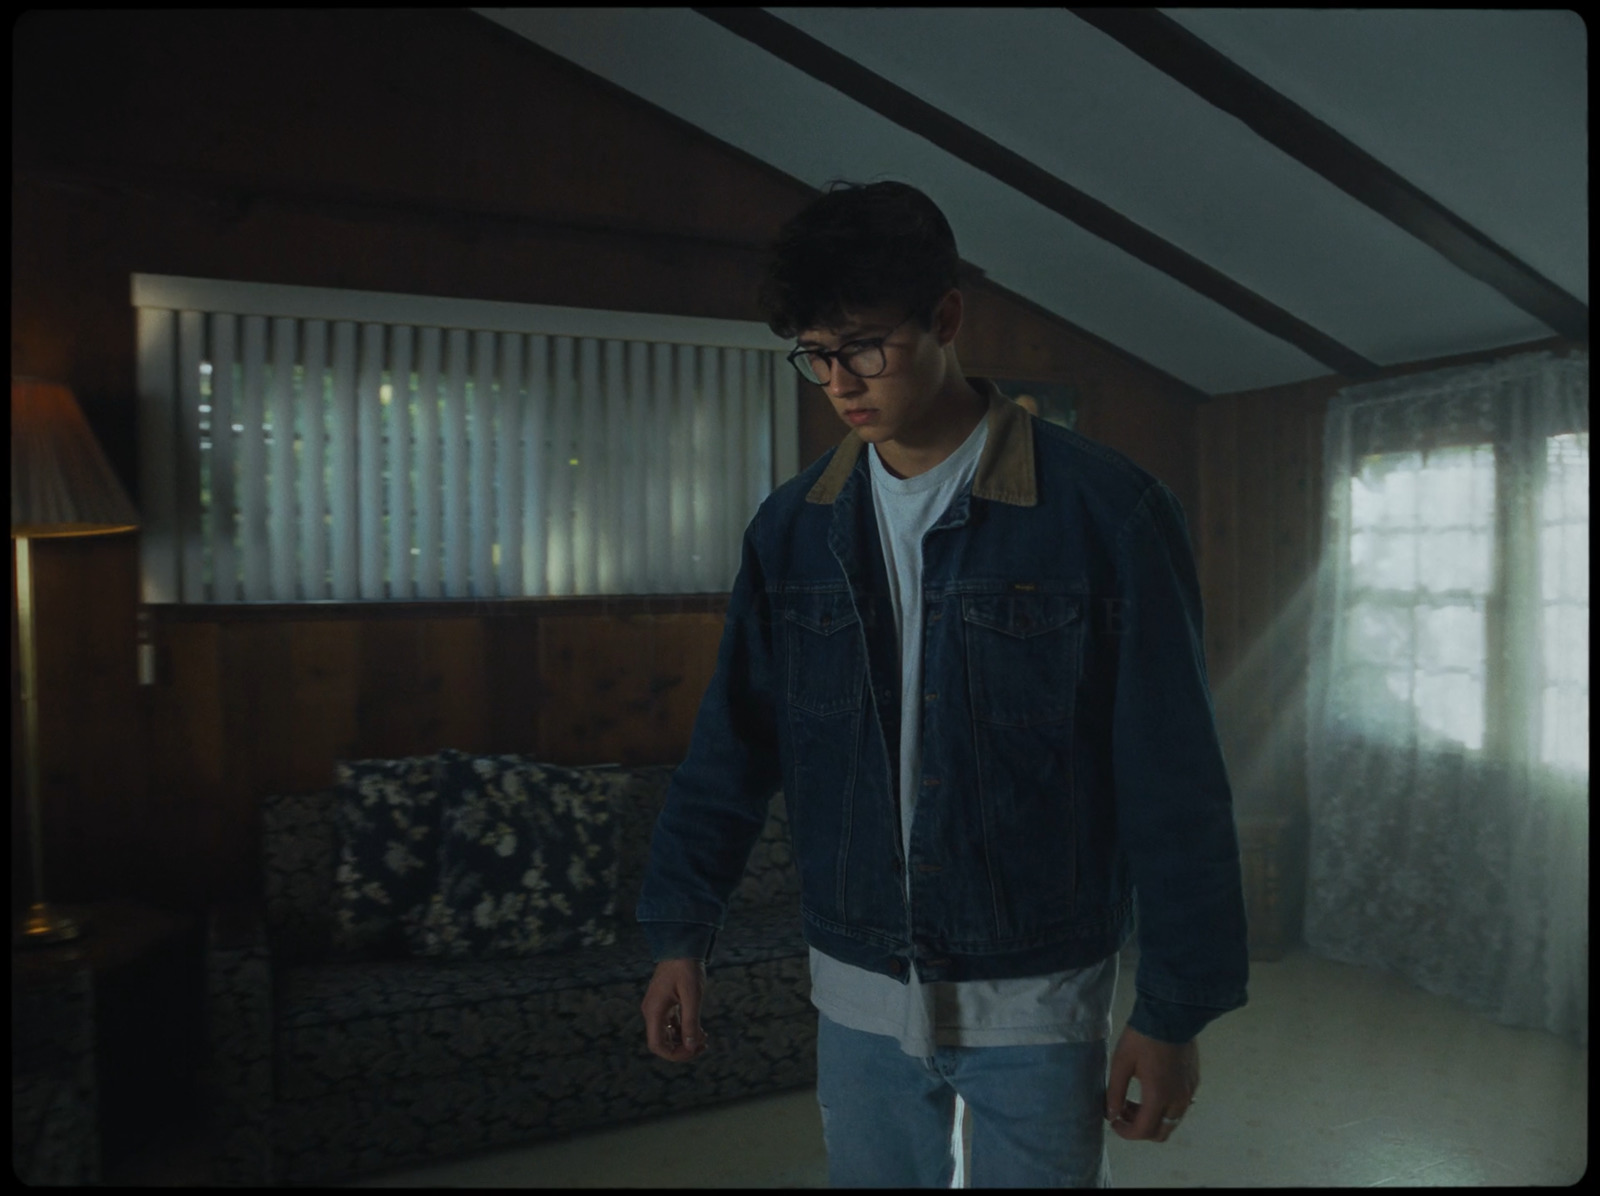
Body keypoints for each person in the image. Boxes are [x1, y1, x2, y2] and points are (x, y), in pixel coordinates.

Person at [637, 179, 1249, 1188]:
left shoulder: (1106, 512)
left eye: (863, 345)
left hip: (1037, 990)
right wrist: (678, 930)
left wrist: (1173, 1009)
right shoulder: (792, 528)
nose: (838, 380)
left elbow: (1173, 778)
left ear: (947, 318)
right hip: (856, 987)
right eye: (814, 352)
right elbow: (730, 747)